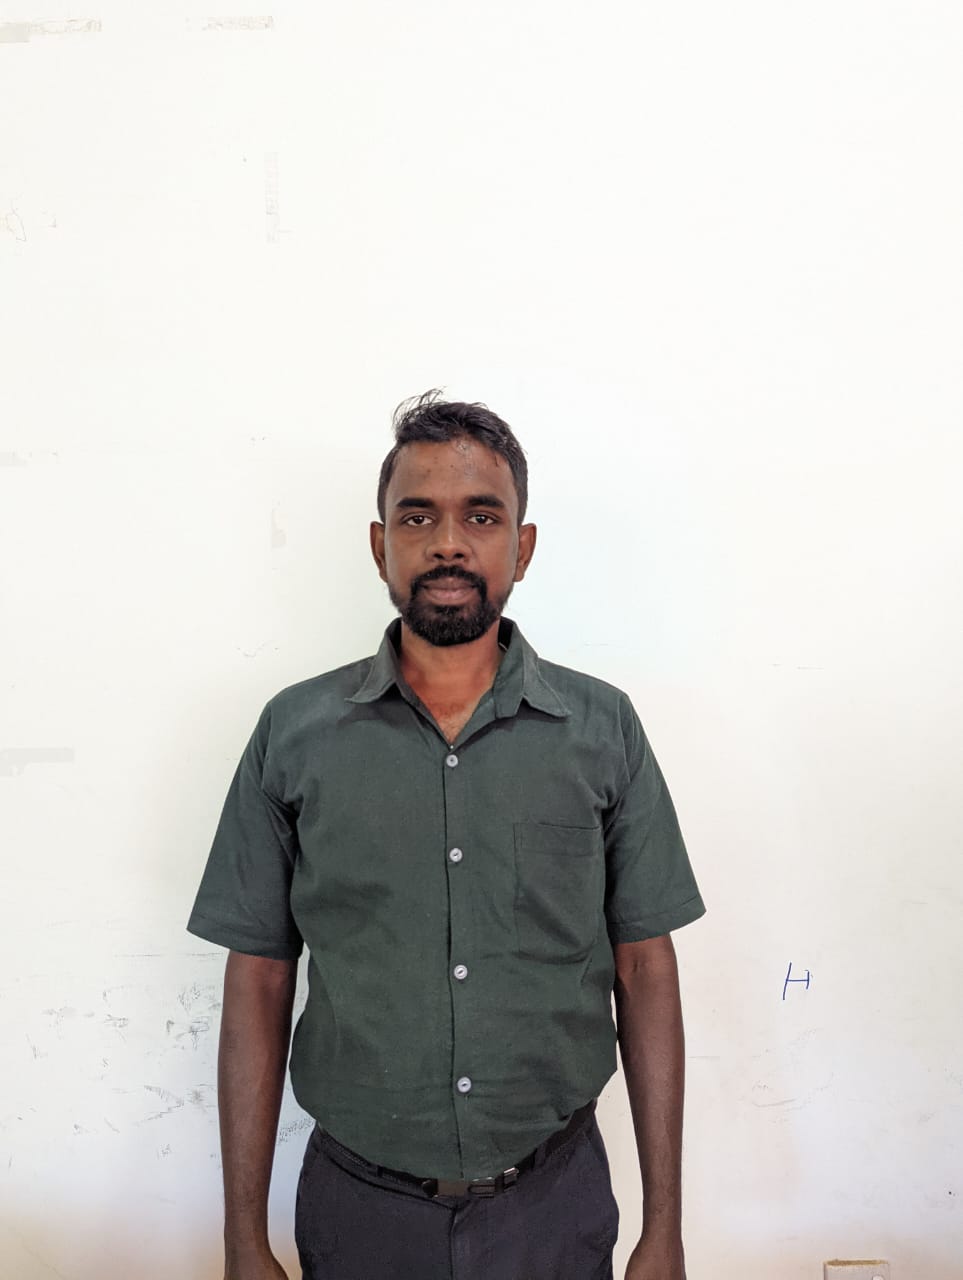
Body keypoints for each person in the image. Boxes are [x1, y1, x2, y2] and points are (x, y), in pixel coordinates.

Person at [187, 391, 705, 1280]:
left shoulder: (602, 728)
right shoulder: (295, 733)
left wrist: (664, 1228)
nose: (448, 543)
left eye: (481, 516)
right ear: (380, 544)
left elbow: (645, 969)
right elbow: (260, 977)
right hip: (357, 1209)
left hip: (554, 1203)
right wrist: (242, 1237)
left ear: (522, 547)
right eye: (417, 516)